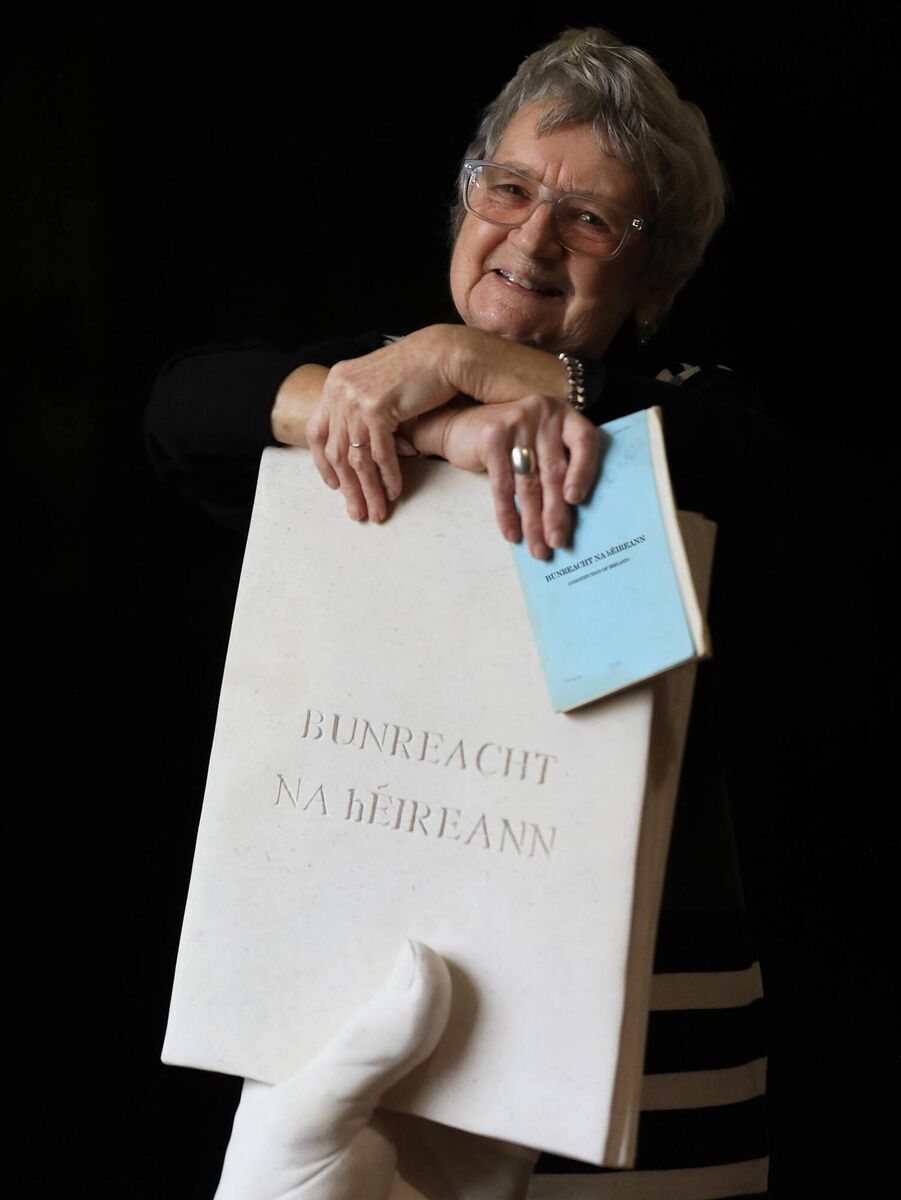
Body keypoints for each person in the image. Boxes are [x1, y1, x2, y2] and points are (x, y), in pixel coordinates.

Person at [147, 26, 794, 1199]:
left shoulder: (687, 421)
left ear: (652, 286)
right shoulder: (370, 382)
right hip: (372, 1026)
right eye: (510, 188)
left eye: (592, 220)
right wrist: (431, 416)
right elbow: (185, 409)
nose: (534, 235)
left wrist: (472, 361)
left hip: (655, 1033)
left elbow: (724, 462)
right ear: (464, 205)